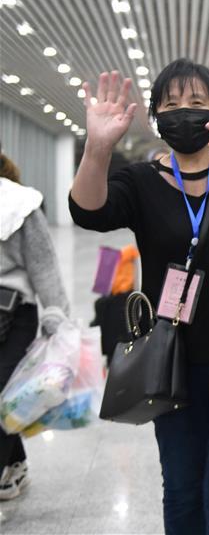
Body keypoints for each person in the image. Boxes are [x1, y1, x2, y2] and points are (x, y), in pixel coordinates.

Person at [69, 61, 209, 534]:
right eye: (171, 105)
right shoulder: (141, 181)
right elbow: (88, 212)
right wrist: (98, 149)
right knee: (184, 487)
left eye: (196, 103)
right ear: (155, 117)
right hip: (171, 356)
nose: (183, 113)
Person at [0, 153, 70, 501]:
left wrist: (56, 315)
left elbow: (43, 264)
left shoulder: (19, 202)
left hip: (12, 314)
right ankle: (14, 465)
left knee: (3, 395)